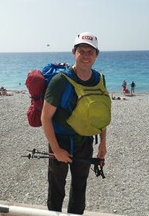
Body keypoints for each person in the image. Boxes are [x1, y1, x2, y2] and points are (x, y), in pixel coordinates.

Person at [41, 32, 111, 215]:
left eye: (90, 51)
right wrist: (56, 149)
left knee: (80, 187)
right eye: (82, 51)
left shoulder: (100, 79)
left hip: (86, 142)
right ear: (74, 52)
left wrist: (103, 142)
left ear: (97, 54)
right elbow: (45, 117)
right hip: (60, 141)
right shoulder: (60, 81)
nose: (86, 56)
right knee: (57, 187)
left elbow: (100, 113)